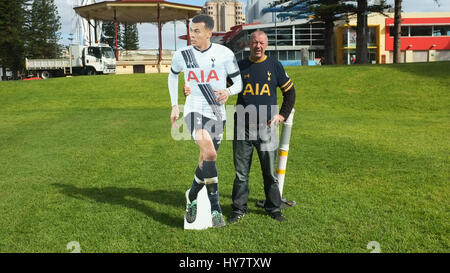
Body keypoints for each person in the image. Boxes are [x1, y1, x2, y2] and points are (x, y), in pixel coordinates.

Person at [185, 30, 296, 223]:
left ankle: (273, 208)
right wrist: (193, 89)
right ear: (249, 44)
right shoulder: (240, 66)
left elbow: (291, 93)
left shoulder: (274, 65)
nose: (258, 46)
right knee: (241, 174)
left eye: (261, 43)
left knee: (269, 173)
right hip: (242, 128)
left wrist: (282, 115)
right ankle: (238, 209)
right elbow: (219, 88)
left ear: (266, 45)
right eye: (254, 43)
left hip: (267, 128)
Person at [168, 15, 243, 228]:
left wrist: (228, 91)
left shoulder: (224, 54)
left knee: (206, 160)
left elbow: (238, 83)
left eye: (197, 31)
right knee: (210, 153)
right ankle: (215, 209)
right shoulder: (182, 55)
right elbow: (173, 76)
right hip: (193, 111)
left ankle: (191, 196)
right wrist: (175, 104)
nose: (192, 34)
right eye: (191, 30)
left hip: (217, 113)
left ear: (209, 33)